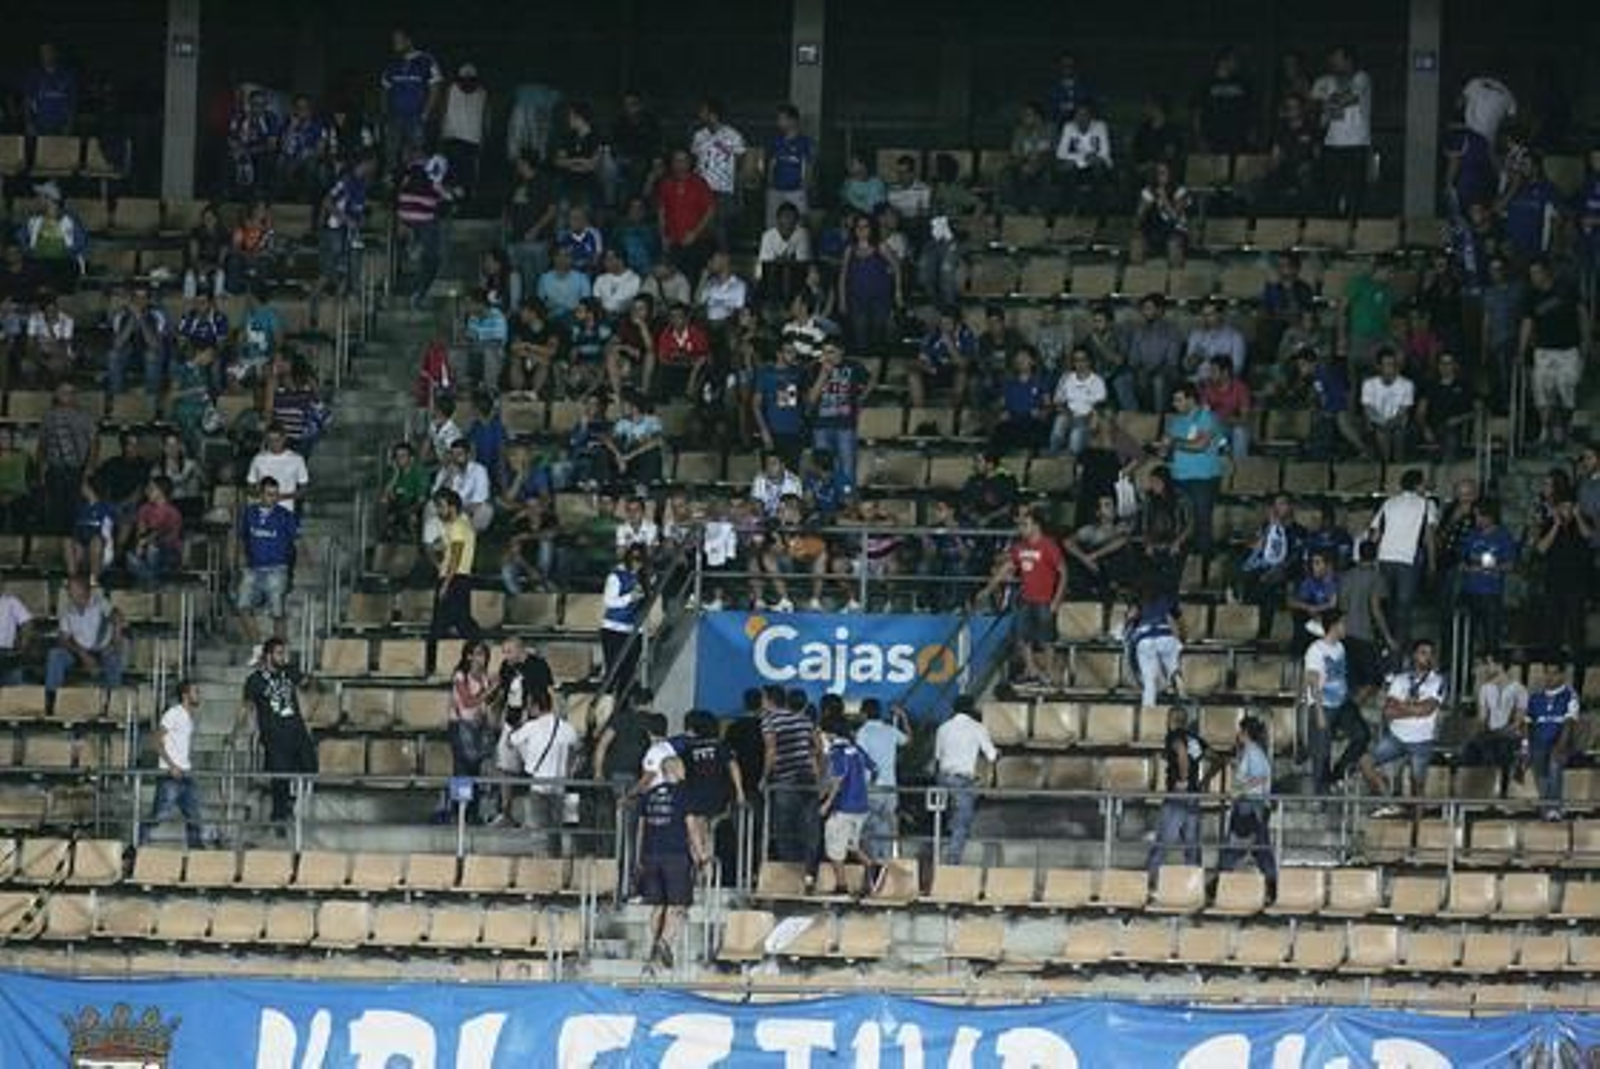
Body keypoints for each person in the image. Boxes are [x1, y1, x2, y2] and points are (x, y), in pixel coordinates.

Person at [973, 508, 1066, 687]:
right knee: (1022, 637)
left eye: (1025, 525)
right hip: (1026, 597)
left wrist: (1057, 600)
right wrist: (988, 589)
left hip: (1045, 599)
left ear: (1036, 526)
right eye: (1020, 525)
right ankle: (1032, 671)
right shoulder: (1020, 547)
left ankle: (1049, 673)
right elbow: (1006, 568)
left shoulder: (1048, 545)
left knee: (1046, 639)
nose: (1021, 528)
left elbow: (1063, 573)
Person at [1363, 640, 1447, 817]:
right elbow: (1388, 712)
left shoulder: (1437, 681)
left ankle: (1417, 825)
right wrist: (1414, 709)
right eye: (1423, 652)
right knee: (1365, 763)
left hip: (1422, 739)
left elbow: (1427, 710)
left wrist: (1401, 706)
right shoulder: (1400, 679)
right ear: (1414, 655)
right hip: (1396, 737)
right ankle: (1388, 803)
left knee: (1417, 784)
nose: (1428, 657)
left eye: (1430, 653)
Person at [240, 638, 317, 829]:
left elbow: (308, 684)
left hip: (296, 731)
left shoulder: (289, 671)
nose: (283, 657)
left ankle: (290, 801)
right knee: (280, 777)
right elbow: (246, 707)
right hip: (274, 735)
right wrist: (237, 732)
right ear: (268, 656)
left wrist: (306, 680)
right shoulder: (255, 680)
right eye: (279, 653)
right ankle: (278, 816)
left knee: (310, 765)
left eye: (284, 653)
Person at [1519, 258, 1589, 453]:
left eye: (1536, 273)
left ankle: (1564, 429)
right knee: (1542, 390)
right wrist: (1521, 350)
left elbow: (1582, 313)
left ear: (1546, 272)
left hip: (1568, 349)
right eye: (1531, 274)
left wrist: (1586, 340)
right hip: (1544, 350)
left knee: (1567, 388)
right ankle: (1545, 430)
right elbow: (1527, 322)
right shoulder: (1531, 296)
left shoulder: (1567, 288)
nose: (1534, 277)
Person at [1366, 469, 1436, 648]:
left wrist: (1370, 558)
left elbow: (1375, 533)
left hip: (1385, 557)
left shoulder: (1389, 503)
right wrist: (1432, 563)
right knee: (1403, 607)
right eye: (1424, 483)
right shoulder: (1426, 505)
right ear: (1418, 485)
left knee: (1384, 603)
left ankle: (1384, 641)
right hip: (1408, 560)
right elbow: (1428, 537)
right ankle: (1400, 645)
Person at [1303, 611, 1368, 795]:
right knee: (1321, 756)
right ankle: (1321, 796)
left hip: (1342, 703)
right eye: (1343, 623)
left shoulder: (1340, 647)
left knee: (1361, 735)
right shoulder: (1316, 649)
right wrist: (1319, 713)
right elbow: (1313, 681)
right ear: (1334, 626)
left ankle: (1337, 774)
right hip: (1323, 705)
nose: (1346, 627)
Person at [636, 755, 692, 968]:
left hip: (650, 854)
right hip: (675, 855)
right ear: (675, 769)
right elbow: (692, 827)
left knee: (658, 905)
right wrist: (700, 855)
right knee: (677, 905)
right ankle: (664, 942)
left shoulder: (648, 795)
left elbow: (641, 829)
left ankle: (653, 946)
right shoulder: (683, 794)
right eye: (683, 767)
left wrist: (639, 855)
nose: (685, 771)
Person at [1216, 715, 1277, 898]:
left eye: (1240, 731)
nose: (1238, 734)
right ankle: (1273, 885)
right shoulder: (1252, 752)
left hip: (1249, 805)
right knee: (1261, 849)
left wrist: (1238, 791)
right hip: (1252, 805)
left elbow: (1259, 778)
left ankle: (1219, 882)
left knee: (1236, 846)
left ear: (1245, 733)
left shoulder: (1253, 752)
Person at [759, 684, 821, 865]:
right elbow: (817, 747)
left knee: (784, 827)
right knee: (807, 825)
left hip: (785, 778)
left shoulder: (769, 721)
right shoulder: (803, 719)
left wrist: (764, 777)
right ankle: (808, 867)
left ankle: (790, 868)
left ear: (769, 700)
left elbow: (771, 750)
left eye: (763, 698)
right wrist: (804, 757)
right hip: (807, 777)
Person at [1162, 384, 1225, 559]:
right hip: (1178, 478)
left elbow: (1200, 445)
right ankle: (1181, 559)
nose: (1174, 404)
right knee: (1181, 521)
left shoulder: (1206, 417)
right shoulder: (1176, 420)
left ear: (1191, 399)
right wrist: (1163, 449)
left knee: (1201, 523)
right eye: (1174, 400)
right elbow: (1169, 450)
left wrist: (1173, 443)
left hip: (1202, 479)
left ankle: (1203, 562)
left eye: (1179, 400)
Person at [818, 711, 877, 895]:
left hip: (844, 807)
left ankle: (842, 885)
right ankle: (872, 867)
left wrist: (826, 804)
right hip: (861, 806)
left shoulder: (837, 752)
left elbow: (838, 780)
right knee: (852, 845)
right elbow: (874, 768)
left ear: (830, 733)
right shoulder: (856, 748)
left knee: (834, 847)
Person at [510, 699, 578, 857]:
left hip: (538, 785)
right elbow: (577, 748)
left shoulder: (531, 726)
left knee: (540, 829)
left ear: (535, 707)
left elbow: (511, 741)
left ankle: (542, 863)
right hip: (561, 785)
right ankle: (558, 860)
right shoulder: (567, 728)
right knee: (559, 828)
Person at [1310, 45, 1372, 219]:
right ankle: (1332, 224)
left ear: (1348, 60)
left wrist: (1328, 102)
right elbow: (1313, 104)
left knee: (1355, 189)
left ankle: (1353, 224)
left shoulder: (1361, 77)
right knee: (1331, 187)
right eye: (1332, 58)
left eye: (1337, 58)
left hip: (1357, 142)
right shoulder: (1325, 81)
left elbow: (1350, 97)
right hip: (1332, 141)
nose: (1333, 62)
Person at [1146, 705, 1207, 881]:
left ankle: (1149, 882)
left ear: (1171, 720)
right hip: (1194, 796)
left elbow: (1181, 752)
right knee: (1192, 845)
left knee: (1163, 840)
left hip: (1178, 795)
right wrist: (1206, 779)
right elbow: (1217, 758)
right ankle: (1194, 885)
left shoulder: (1174, 735)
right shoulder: (1194, 738)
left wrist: (1183, 779)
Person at [44, 577, 124, 712]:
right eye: (69, 590)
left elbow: (117, 616)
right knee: (55, 655)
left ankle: (112, 702)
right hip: (78, 651)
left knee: (114, 658)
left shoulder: (99, 603)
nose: (69, 592)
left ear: (84, 590)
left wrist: (115, 643)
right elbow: (63, 639)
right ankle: (51, 701)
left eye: (72, 589)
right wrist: (82, 654)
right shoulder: (67, 610)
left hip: (101, 650)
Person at [934, 695, 996, 865]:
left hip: (943, 777)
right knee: (962, 820)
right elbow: (991, 756)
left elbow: (938, 757)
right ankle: (953, 859)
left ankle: (942, 850)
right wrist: (998, 753)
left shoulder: (943, 728)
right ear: (971, 709)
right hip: (962, 780)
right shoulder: (977, 727)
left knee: (946, 818)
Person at [142, 679, 203, 848]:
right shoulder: (173, 713)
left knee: (194, 817)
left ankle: (197, 852)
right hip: (170, 774)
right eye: (195, 691)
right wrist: (171, 766)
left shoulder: (188, 716)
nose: (199, 695)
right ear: (185, 695)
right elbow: (156, 740)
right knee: (158, 816)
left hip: (185, 773)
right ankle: (137, 848)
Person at [426, 490, 480, 677]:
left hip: (455, 579)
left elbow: (456, 557)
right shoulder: (461, 525)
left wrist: (446, 584)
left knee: (442, 626)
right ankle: (475, 656)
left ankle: (431, 667)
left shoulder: (457, 526)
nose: (439, 511)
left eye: (441, 506)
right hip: (458, 578)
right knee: (460, 623)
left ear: (452, 507)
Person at [1461, 653, 1528, 797]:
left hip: (1510, 734)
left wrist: (1502, 731)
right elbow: (1483, 718)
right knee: (1474, 746)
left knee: (1505, 745)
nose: (1487, 668)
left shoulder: (1519, 689)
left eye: (1490, 664)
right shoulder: (1485, 689)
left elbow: (1518, 721)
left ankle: (1502, 789)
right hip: (1491, 734)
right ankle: (1480, 790)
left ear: (1499, 665)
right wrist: (1481, 731)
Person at [1457, 500, 1517, 656]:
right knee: (1467, 637)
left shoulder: (1503, 536)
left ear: (1490, 517)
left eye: (1480, 516)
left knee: (1491, 636)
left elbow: (1510, 565)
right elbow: (1462, 559)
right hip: (1469, 592)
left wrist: (1489, 567)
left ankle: (1491, 664)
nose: (1477, 520)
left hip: (1491, 593)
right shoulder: (1472, 535)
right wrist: (1466, 567)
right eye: (1475, 516)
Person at [446, 640, 494, 821]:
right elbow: (467, 701)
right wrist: (490, 690)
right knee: (462, 769)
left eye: (484, 654)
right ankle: (459, 811)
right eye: (478, 654)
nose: (482, 658)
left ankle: (472, 812)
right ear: (469, 656)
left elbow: (485, 704)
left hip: (478, 727)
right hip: (460, 726)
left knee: (475, 769)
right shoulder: (460, 676)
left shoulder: (485, 677)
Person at [854, 699, 909, 858]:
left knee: (869, 827)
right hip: (890, 786)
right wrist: (903, 717)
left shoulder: (863, 732)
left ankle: (872, 863)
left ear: (864, 713)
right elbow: (908, 740)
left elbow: (861, 759)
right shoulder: (890, 730)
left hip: (871, 786)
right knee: (887, 824)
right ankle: (886, 859)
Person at [1525, 661, 1578, 821]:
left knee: (1554, 762)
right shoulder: (1535, 697)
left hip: (1561, 744)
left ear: (1562, 675)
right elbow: (1528, 725)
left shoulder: (1569, 696)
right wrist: (1526, 746)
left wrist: (1560, 747)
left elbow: (1569, 724)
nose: (1550, 677)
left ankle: (1554, 809)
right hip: (1539, 745)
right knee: (1537, 761)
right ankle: (1545, 807)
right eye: (1547, 673)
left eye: (1554, 673)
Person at [1126, 580, 1186, 713]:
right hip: (1166, 634)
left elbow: (1131, 617)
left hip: (1145, 637)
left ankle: (1148, 714)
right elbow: (1180, 622)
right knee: (1171, 662)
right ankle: (1174, 675)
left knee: (1149, 682)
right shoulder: (1168, 599)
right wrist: (1182, 639)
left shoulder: (1139, 600)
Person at [600, 545, 647, 690]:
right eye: (634, 558)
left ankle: (623, 701)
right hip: (614, 629)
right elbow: (608, 601)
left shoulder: (643, 577)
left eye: (640, 559)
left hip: (634, 630)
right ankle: (606, 700)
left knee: (628, 673)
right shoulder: (616, 576)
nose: (637, 562)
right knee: (614, 672)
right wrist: (629, 597)